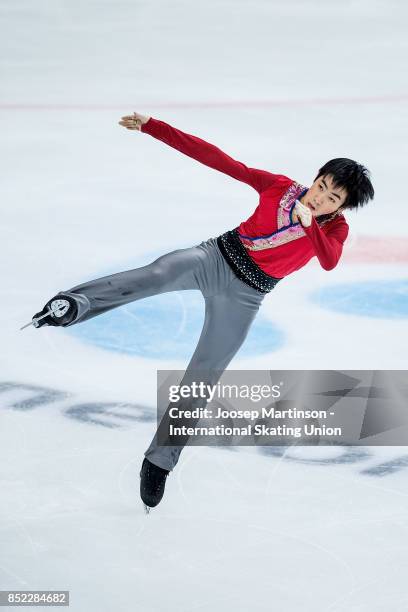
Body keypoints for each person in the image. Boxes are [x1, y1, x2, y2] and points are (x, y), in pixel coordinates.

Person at [30, 112, 375, 511]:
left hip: (246, 295)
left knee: (203, 376)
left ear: (343, 206)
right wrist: (154, 127)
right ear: (315, 178)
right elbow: (218, 159)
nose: (319, 198)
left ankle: (159, 460)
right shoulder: (280, 187)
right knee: (156, 274)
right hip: (213, 258)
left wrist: (309, 224)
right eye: (321, 187)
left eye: (332, 198)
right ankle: (74, 305)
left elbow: (329, 260)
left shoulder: (334, 230)